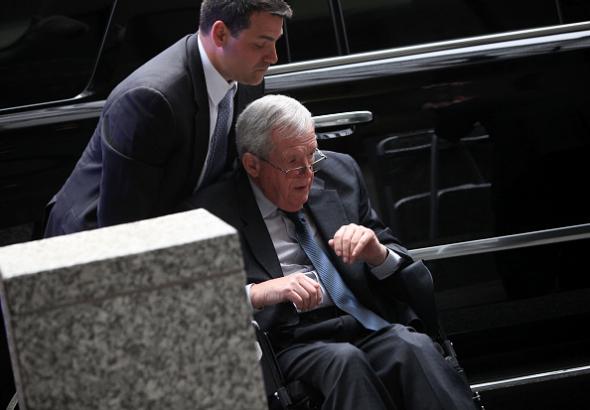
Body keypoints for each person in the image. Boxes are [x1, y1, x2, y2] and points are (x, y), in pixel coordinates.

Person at [185, 94, 476, 410]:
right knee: (345, 364)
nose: (308, 174)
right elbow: (194, 304)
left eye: (313, 156)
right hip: (293, 340)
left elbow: (394, 254)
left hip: (361, 320)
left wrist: (376, 253)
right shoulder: (213, 211)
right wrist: (257, 292)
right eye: (294, 163)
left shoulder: (340, 173)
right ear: (253, 164)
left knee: (413, 346)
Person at [44, 0, 292, 237]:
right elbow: (123, 224)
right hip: (91, 243)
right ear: (220, 35)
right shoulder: (151, 100)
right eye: (261, 44)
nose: (273, 57)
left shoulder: (247, 78)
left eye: (275, 42)